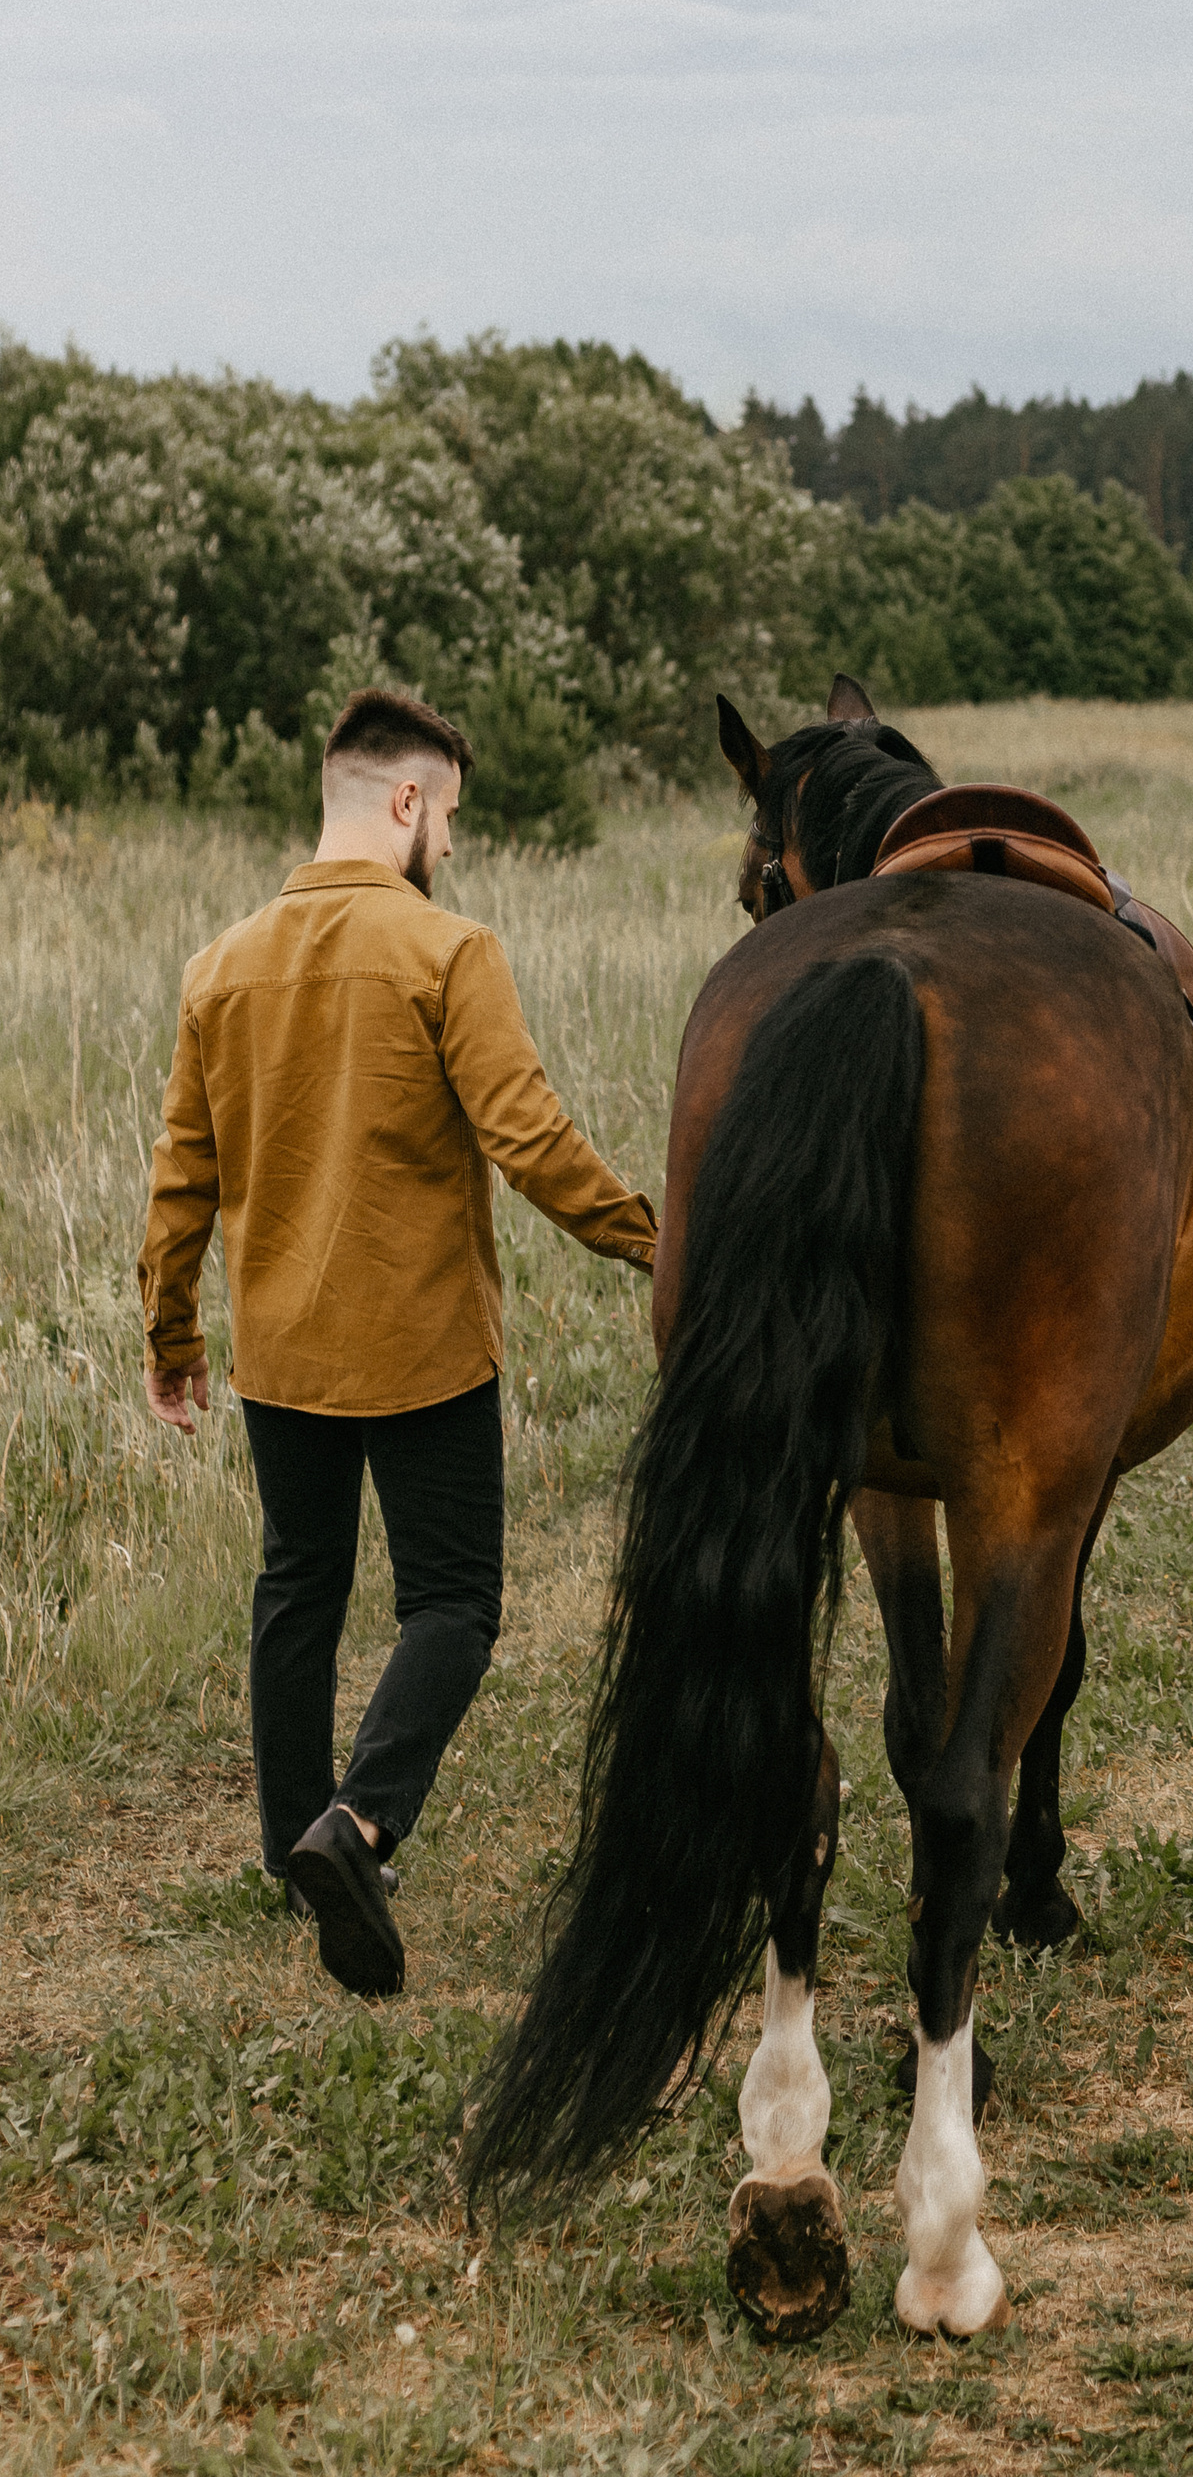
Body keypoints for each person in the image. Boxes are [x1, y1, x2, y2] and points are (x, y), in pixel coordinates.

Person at [136, 688, 658, 2000]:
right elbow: (528, 1139)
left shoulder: (222, 965)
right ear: (408, 803)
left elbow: (180, 1177)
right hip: (422, 1343)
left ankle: (288, 1846)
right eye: (453, 821)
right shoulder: (446, 950)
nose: (453, 849)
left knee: (297, 1585)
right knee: (453, 1603)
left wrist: (171, 1331)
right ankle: (355, 1827)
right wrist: (665, 1242)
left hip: (281, 1351)